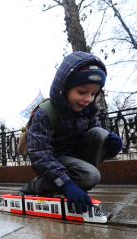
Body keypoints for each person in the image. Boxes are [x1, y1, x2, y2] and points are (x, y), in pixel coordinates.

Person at [19, 51, 122, 214]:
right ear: (63, 89)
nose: (88, 99)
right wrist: (66, 183)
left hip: (74, 158)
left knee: (101, 133)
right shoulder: (45, 113)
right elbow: (39, 154)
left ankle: (81, 182)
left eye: (93, 94)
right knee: (90, 176)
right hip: (52, 160)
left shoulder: (87, 111)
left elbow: (95, 142)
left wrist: (112, 146)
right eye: (82, 92)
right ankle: (35, 186)